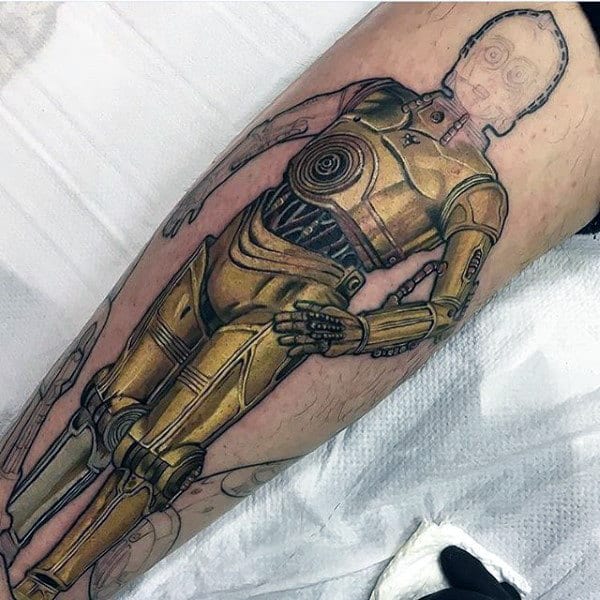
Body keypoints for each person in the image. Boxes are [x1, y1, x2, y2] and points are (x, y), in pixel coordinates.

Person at [0, 4, 598, 599]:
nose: (491, 77)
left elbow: (444, 308)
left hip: (290, 310)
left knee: (156, 456)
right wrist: (208, 197)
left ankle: (41, 586)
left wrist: (357, 333)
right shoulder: (381, 98)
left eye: (515, 78)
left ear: (523, 107)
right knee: (105, 402)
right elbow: (283, 132)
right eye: (491, 54)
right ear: (467, 51)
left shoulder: (478, 192)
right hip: (226, 251)